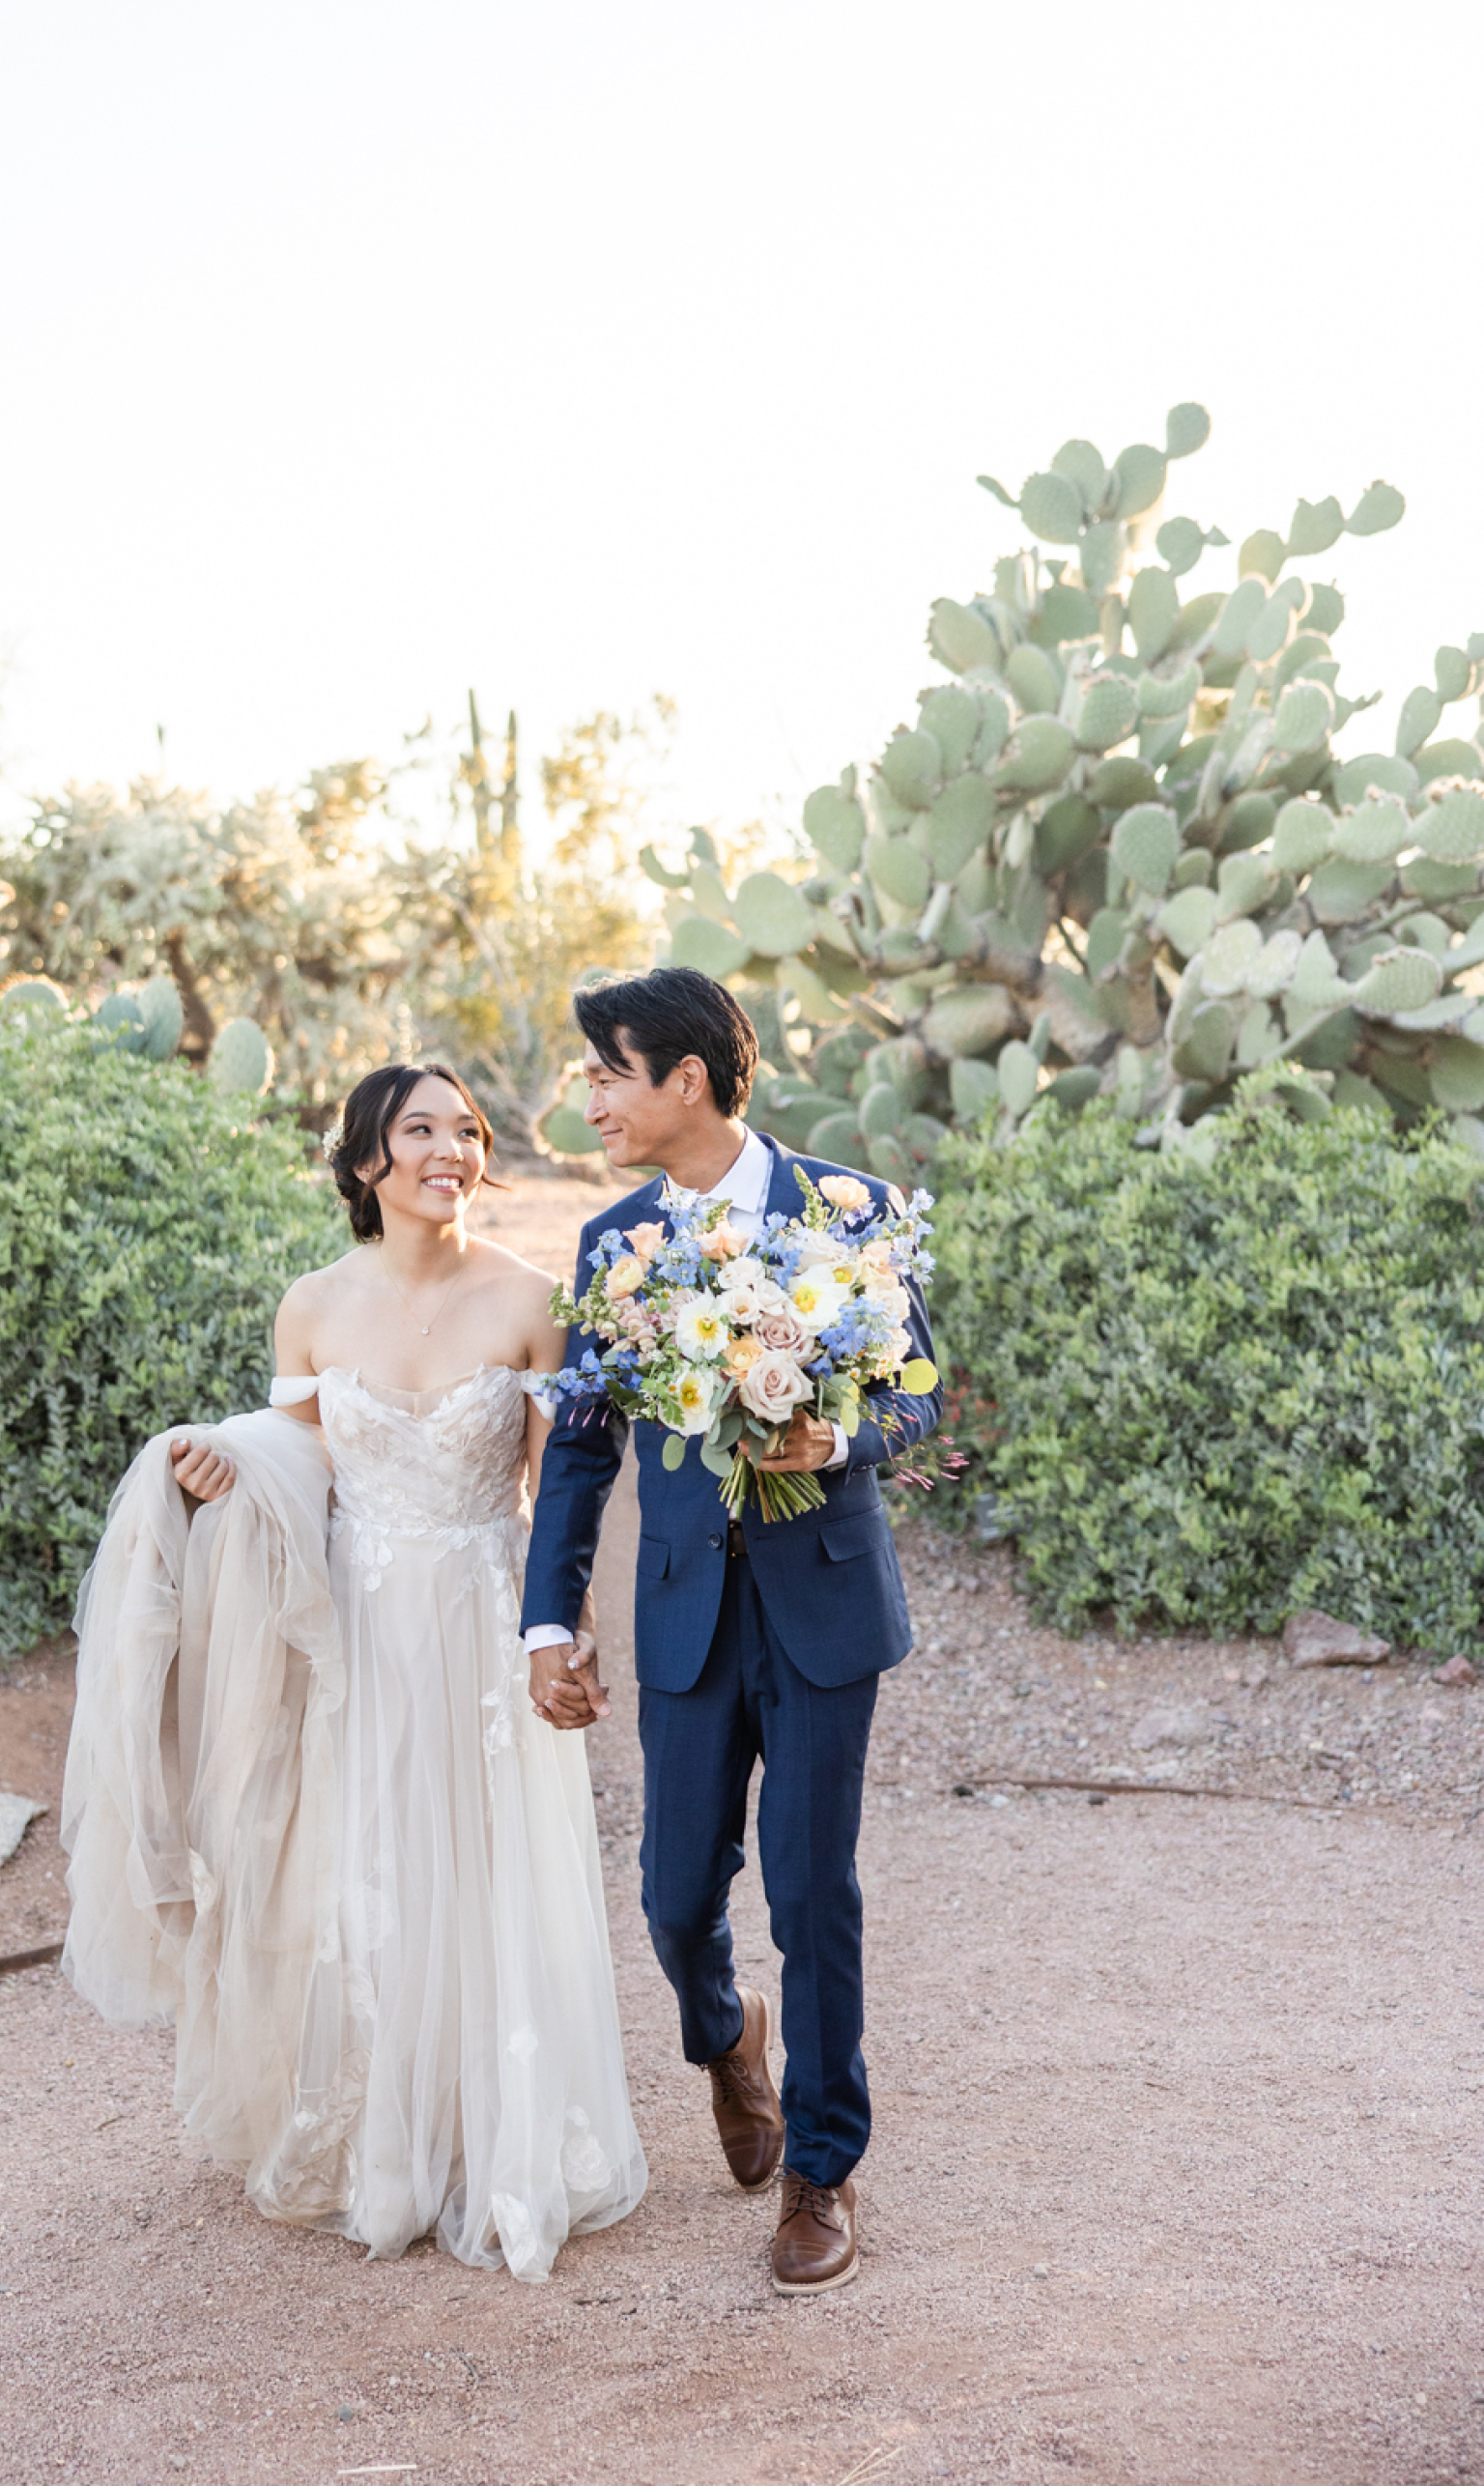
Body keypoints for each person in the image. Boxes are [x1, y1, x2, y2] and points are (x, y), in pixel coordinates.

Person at [61, 1062, 645, 2282]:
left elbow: (563, 1498)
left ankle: (505, 2141)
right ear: (367, 1159)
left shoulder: (537, 1298)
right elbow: (305, 1452)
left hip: (488, 1621)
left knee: (490, 1868)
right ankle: (388, 2143)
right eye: (420, 1128)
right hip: (363, 1628)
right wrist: (223, 1456)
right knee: (370, 1865)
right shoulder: (313, 1306)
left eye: (469, 1130)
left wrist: (565, 1629)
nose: (452, 1148)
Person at [522, 967, 940, 2296]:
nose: (592, 1098)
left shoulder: (848, 1209)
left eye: (607, 1072)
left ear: (684, 1078)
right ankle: (726, 2035)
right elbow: (583, 1453)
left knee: (814, 1886)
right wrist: (550, 1613)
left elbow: (918, 1394)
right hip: (685, 1612)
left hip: (823, 1596)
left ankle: (823, 2165)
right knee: (672, 1893)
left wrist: (843, 1432)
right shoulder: (612, 1244)